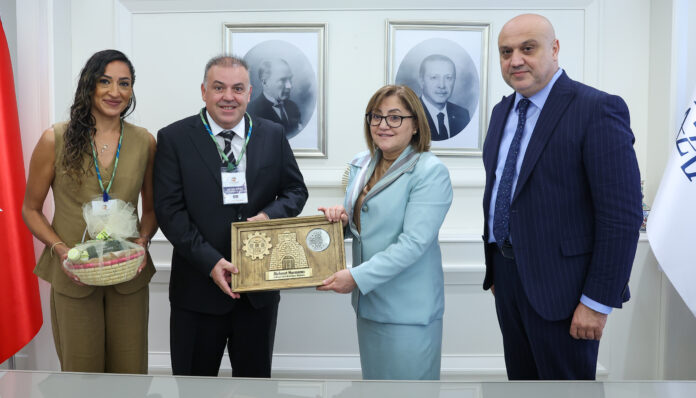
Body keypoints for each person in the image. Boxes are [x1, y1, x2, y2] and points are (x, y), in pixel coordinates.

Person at [482, 14, 642, 380]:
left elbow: (621, 217)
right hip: (508, 279)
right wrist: (498, 271)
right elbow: (505, 193)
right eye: (506, 52)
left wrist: (597, 301)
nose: (515, 60)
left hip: (567, 292)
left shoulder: (596, 109)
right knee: (521, 387)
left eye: (528, 48)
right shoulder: (501, 112)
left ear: (554, 49)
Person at [153, 55, 308, 377]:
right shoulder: (174, 138)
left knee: (255, 387)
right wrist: (211, 262)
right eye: (218, 87)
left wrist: (269, 216)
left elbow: (295, 191)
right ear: (204, 91)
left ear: (249, 93)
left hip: (257, 292)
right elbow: (170, 211)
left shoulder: (273, 134)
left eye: (237, 88)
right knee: (194, 388)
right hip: (196, 292)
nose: (228, 97)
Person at [23, 49, 157, 373]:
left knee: (130, 375)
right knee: (81, 377)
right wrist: (60, 250)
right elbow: (30, 209)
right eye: (105, 81)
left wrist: (142, 242)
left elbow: (152, 209)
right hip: (74, 275)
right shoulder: (55, 138)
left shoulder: (144, 142)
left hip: (128, 275)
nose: (115, 92)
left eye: (124, 83)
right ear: (89, 85)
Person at [318, 85, 452, 380]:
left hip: (408, 311)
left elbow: (413, 244)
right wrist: (342, 220)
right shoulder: (363, 163)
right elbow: (364, 223)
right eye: (376, 116)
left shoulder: (430, 171)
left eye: (395, 117)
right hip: (370, 305)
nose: (383, 125)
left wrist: (356, 277)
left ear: (415, 124)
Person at [418, 54, 470, 140]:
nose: (442, 85)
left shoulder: (463, 114)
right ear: (421, 81)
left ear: (454, 80)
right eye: (434, 77)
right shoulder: (411, 114)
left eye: (448, 78)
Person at [248, 58, 303, 137]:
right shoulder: (251, 111)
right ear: (265, 82)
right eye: (282, 80)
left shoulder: (293, 107)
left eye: (290, 79)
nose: (289, 86)